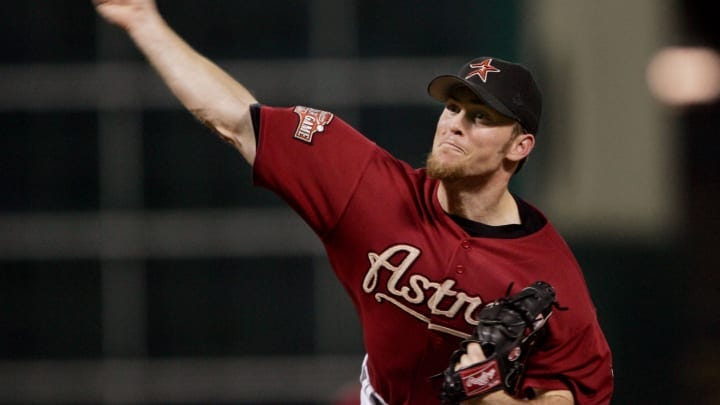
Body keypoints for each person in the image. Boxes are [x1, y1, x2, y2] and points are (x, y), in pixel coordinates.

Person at [93, 1, 614, 404]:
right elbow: (233, 119)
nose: (454, 122)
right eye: (453, 106)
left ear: (520, 146)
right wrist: (145, 22)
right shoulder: (367, 186)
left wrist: (490, 393)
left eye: (481, 117)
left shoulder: (551, 277)